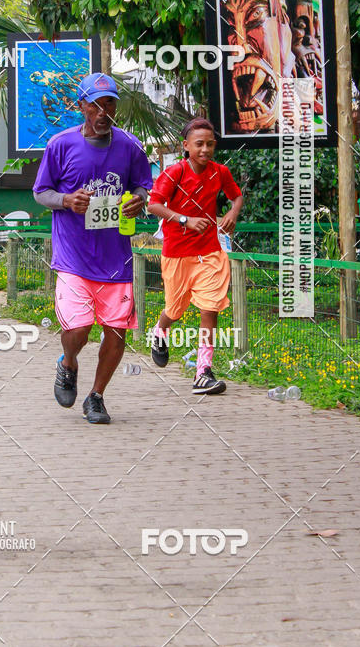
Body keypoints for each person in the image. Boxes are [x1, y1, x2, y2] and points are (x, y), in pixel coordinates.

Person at [33, 72, 153, 424]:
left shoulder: (130, 146)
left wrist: (139, 201)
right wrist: (67, 200)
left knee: (116, 332)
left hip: (116, 258)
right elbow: (41, 192)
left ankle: (96, 396)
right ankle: (68, 362)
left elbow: (143, 187)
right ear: (82, 106)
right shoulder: (60, 145)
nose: (104, 112)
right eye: (97, 105)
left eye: (110, 104)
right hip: (73, 257)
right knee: (79, 329)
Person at [147, 118, 243, 394]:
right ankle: (160, 332)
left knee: (210, 307)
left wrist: (231, 213)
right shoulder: (173, 173)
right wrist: (183, 219)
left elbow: (236, 196)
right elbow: (154, 205)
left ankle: (203, 371)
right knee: (175, 309)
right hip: (177, 253)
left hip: (210, 251)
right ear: (186, 146)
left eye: (210, 144)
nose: (205, 149)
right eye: (199, 144)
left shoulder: (220, 172)